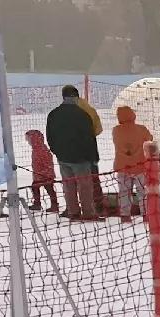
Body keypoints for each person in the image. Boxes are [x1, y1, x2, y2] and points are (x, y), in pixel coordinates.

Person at [46, 84, 103, 220]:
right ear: (76, 97)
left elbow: (50, 136)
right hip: (81, 158)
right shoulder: (82, 115)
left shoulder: (53, 114)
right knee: (85, 187)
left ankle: (73, 212)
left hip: (63, 157)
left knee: (68, 186)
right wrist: (93, 157)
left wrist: (56, 151)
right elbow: (89, 138)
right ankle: (88, 213)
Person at [110, 104, 157, 219]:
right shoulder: (141, 129)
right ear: (133, 115)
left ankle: (125, 215)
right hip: (139, 166)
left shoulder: (115, 130)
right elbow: (150, 138)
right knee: (142, 192)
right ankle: (146, 214)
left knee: (124, 192)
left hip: (122, 167)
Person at [24, 126, 59, 212]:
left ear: (34, 139)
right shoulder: (37, 149)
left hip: (44, 174)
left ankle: (42, 204)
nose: (27, 142)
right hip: (40, 174)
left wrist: (43, 172)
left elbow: (46, 162)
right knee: (40, 187)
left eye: (28, 139)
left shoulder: (40, 150)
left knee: (44, 188)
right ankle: (45, 204)